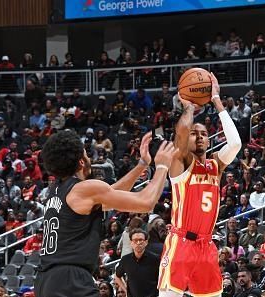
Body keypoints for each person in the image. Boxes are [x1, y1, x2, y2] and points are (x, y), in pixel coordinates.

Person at [34, 131, 177, 297]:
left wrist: (142, 164)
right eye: (87, 154)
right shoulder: (84, 189)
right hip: (70, 280)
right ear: (81, 161)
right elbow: (146, 202)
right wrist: (162, 166)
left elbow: (111, 194)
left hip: (46, 280)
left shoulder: (57, 189)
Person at [158, 72, 242, 297]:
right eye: (195, 134)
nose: (200, 136)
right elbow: (182, 133)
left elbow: (235, 143)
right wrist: (189, 107)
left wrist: (216, 99)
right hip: (180, 242)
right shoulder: (181, 162)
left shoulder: (216, 164)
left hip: (206, 246)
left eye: (204, 133)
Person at [114, 229, 160, 297]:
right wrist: (125, 290)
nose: (138, 243)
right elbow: (117, 276)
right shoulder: (126, 259)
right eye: (135, 240)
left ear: (146, 242)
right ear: (131, 242)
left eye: (141, 240)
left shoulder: (155, 259)